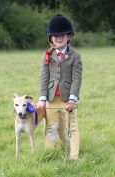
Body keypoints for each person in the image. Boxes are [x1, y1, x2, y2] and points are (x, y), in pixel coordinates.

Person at [37, 14, 82, 160]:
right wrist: (42, 99)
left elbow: (76, 78)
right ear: (51, 38)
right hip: (51, 99)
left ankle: (73, 156)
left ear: (69, 36)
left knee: (71, 128)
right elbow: (44, 77)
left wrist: (73, 99)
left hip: (68, 99)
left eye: (62, 34)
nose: (58, 38)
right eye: (55, 35)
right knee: (52, 128)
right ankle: (50, 154)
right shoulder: (47, 55)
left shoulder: (75, 56)